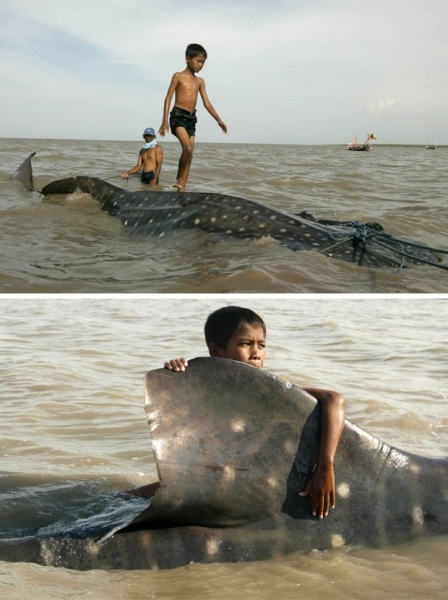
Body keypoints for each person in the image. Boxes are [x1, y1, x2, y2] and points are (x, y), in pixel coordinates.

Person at [164, 306, 346, 520]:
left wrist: (325, 465)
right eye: (246, 344)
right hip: (210, 476)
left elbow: (334, 399)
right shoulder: (204, 385)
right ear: (215, 351)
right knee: (136, 495)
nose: (256, 353)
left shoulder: (269, 391)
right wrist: (174, 372)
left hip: (248, 483)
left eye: (262, 345)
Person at [158, 43, 227, 192]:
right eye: (198, 61)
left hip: (191, 119)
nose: (201, 65)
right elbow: (168, 97)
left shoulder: (199, 81)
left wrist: (219, 120)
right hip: (178, 116)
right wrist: (164, 121)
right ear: (187, 58)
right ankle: (178, 178)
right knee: (187, 148)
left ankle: (181, 190)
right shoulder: (178, 76)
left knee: (189, 156)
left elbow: (207, 103)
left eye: (203, 62)